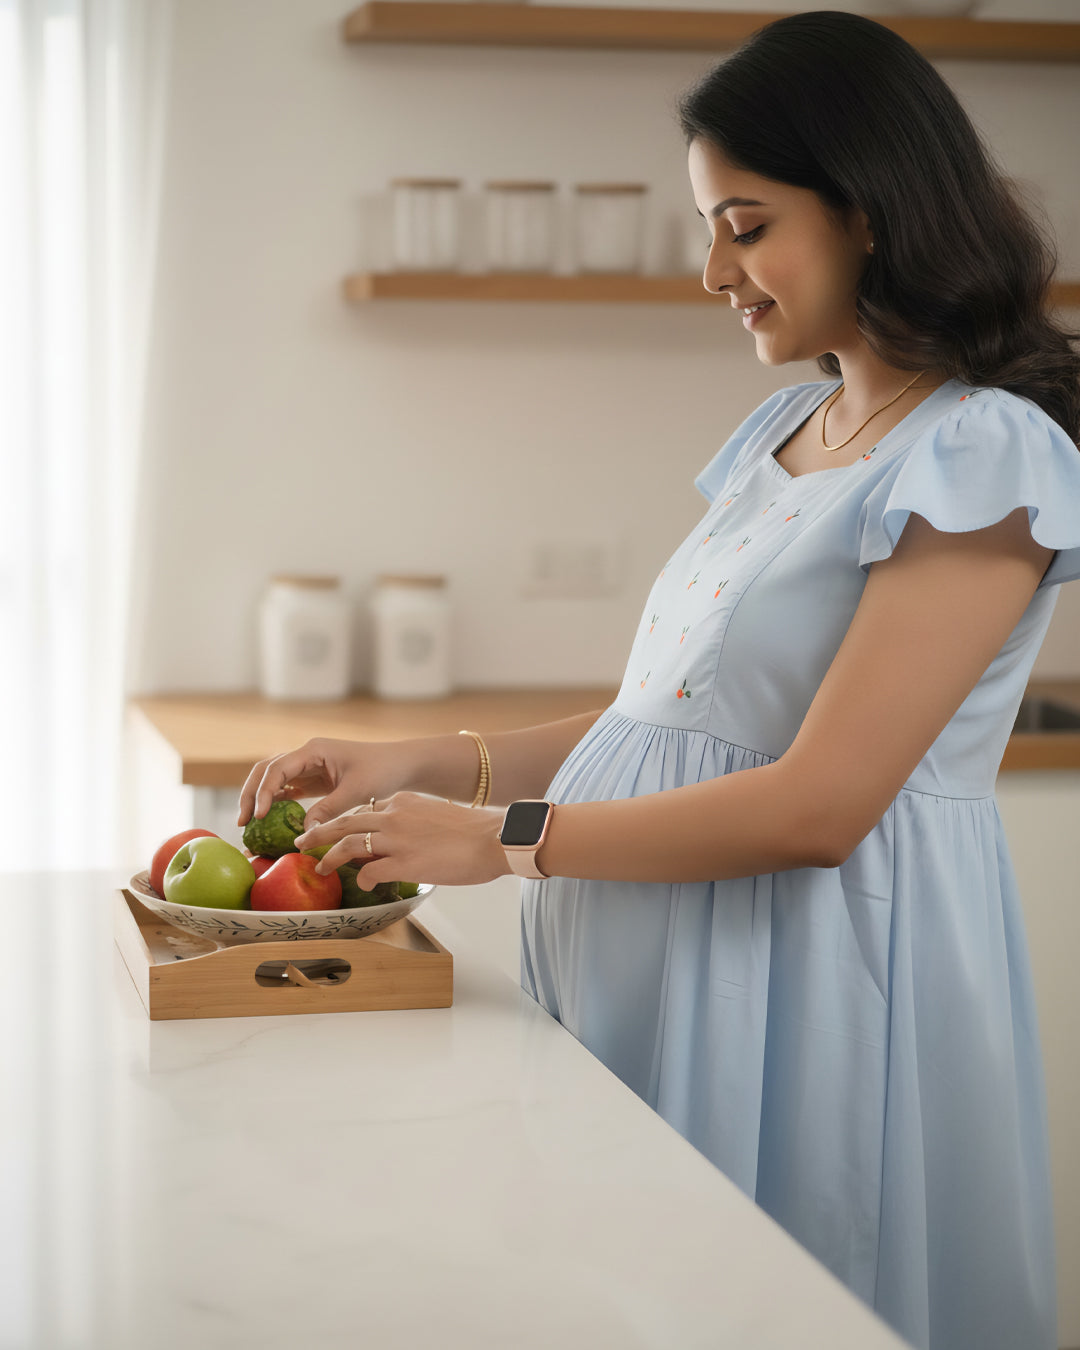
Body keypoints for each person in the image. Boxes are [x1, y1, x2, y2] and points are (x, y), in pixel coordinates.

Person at [237, 12, 1080, 1349]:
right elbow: (673, 723)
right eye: (710, 227)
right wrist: (432, 761)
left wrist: (502, 838)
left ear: (870, 210)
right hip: (674, 959)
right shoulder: (789, 429)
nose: (713, 271)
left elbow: (820, 802)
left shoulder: (983, 453)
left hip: (808, 985)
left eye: (746, 225)